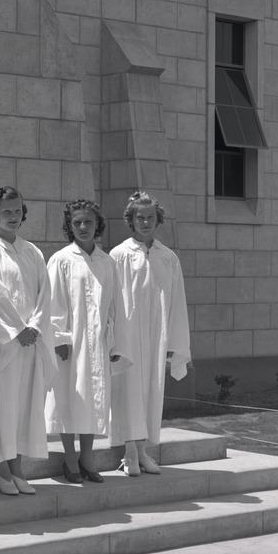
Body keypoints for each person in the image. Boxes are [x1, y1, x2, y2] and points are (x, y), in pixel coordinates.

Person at [0, 186, 55, 496]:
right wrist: (17, 329)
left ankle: (17, 466)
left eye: (17, 210)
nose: (12, 216)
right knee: (0, 409)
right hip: (3, 345)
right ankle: (0, 469)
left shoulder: (32, 251)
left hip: (30, 344)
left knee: (22, 408)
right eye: (6, 211)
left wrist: (34, 326)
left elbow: (44, 294)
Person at [110, 191, 191, 476]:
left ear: (158, 221)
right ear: (130, 220)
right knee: (129, 390)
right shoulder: (119, 255)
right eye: (139, 217)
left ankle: (142, 450)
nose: (145, 222)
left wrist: (174, 340)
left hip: (156, 334)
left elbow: (177, 300)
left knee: (151, 390)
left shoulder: (167, 258)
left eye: (150, 218)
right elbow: (111, 300)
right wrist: (113, 338)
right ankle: (129, 451)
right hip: (128, 333)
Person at [46, 199, 124, 484]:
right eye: (77, 222)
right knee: (68, 397)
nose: (82, 227)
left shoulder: (106, 262)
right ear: (69, 225)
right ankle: (70, 459)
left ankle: (88, 458)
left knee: (92, 400)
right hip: (70, 344)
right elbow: (53, 302)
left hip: (97, 344)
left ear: (97, 224)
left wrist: (114, 342)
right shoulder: (62, 260)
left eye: (88, 222)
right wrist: (60, 337)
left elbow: (114, 306)